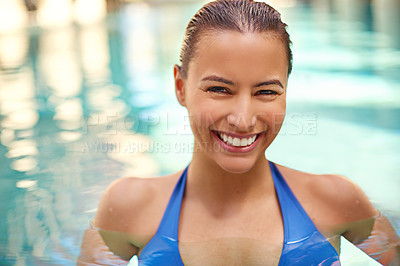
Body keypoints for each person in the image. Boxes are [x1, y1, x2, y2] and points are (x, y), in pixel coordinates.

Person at [78, 0, 400, 265]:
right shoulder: (129, 208)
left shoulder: (336, 200)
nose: (243, 119)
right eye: (219, 89)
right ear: (180, 87)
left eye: (266, 92)